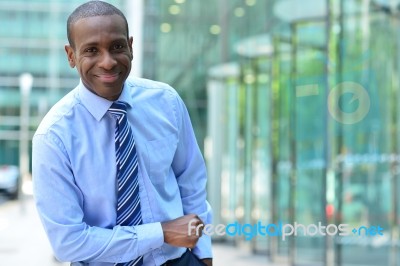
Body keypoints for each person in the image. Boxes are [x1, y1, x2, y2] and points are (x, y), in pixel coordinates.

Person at [32, 1, 212, 265]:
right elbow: (69, 243)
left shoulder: (166, 102)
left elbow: (191, 181)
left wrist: (203, 253)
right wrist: (160, 233)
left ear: (131, 46)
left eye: (117, 47)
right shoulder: (53, 137)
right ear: (71, 56)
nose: (108, 62)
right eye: (92, 50)